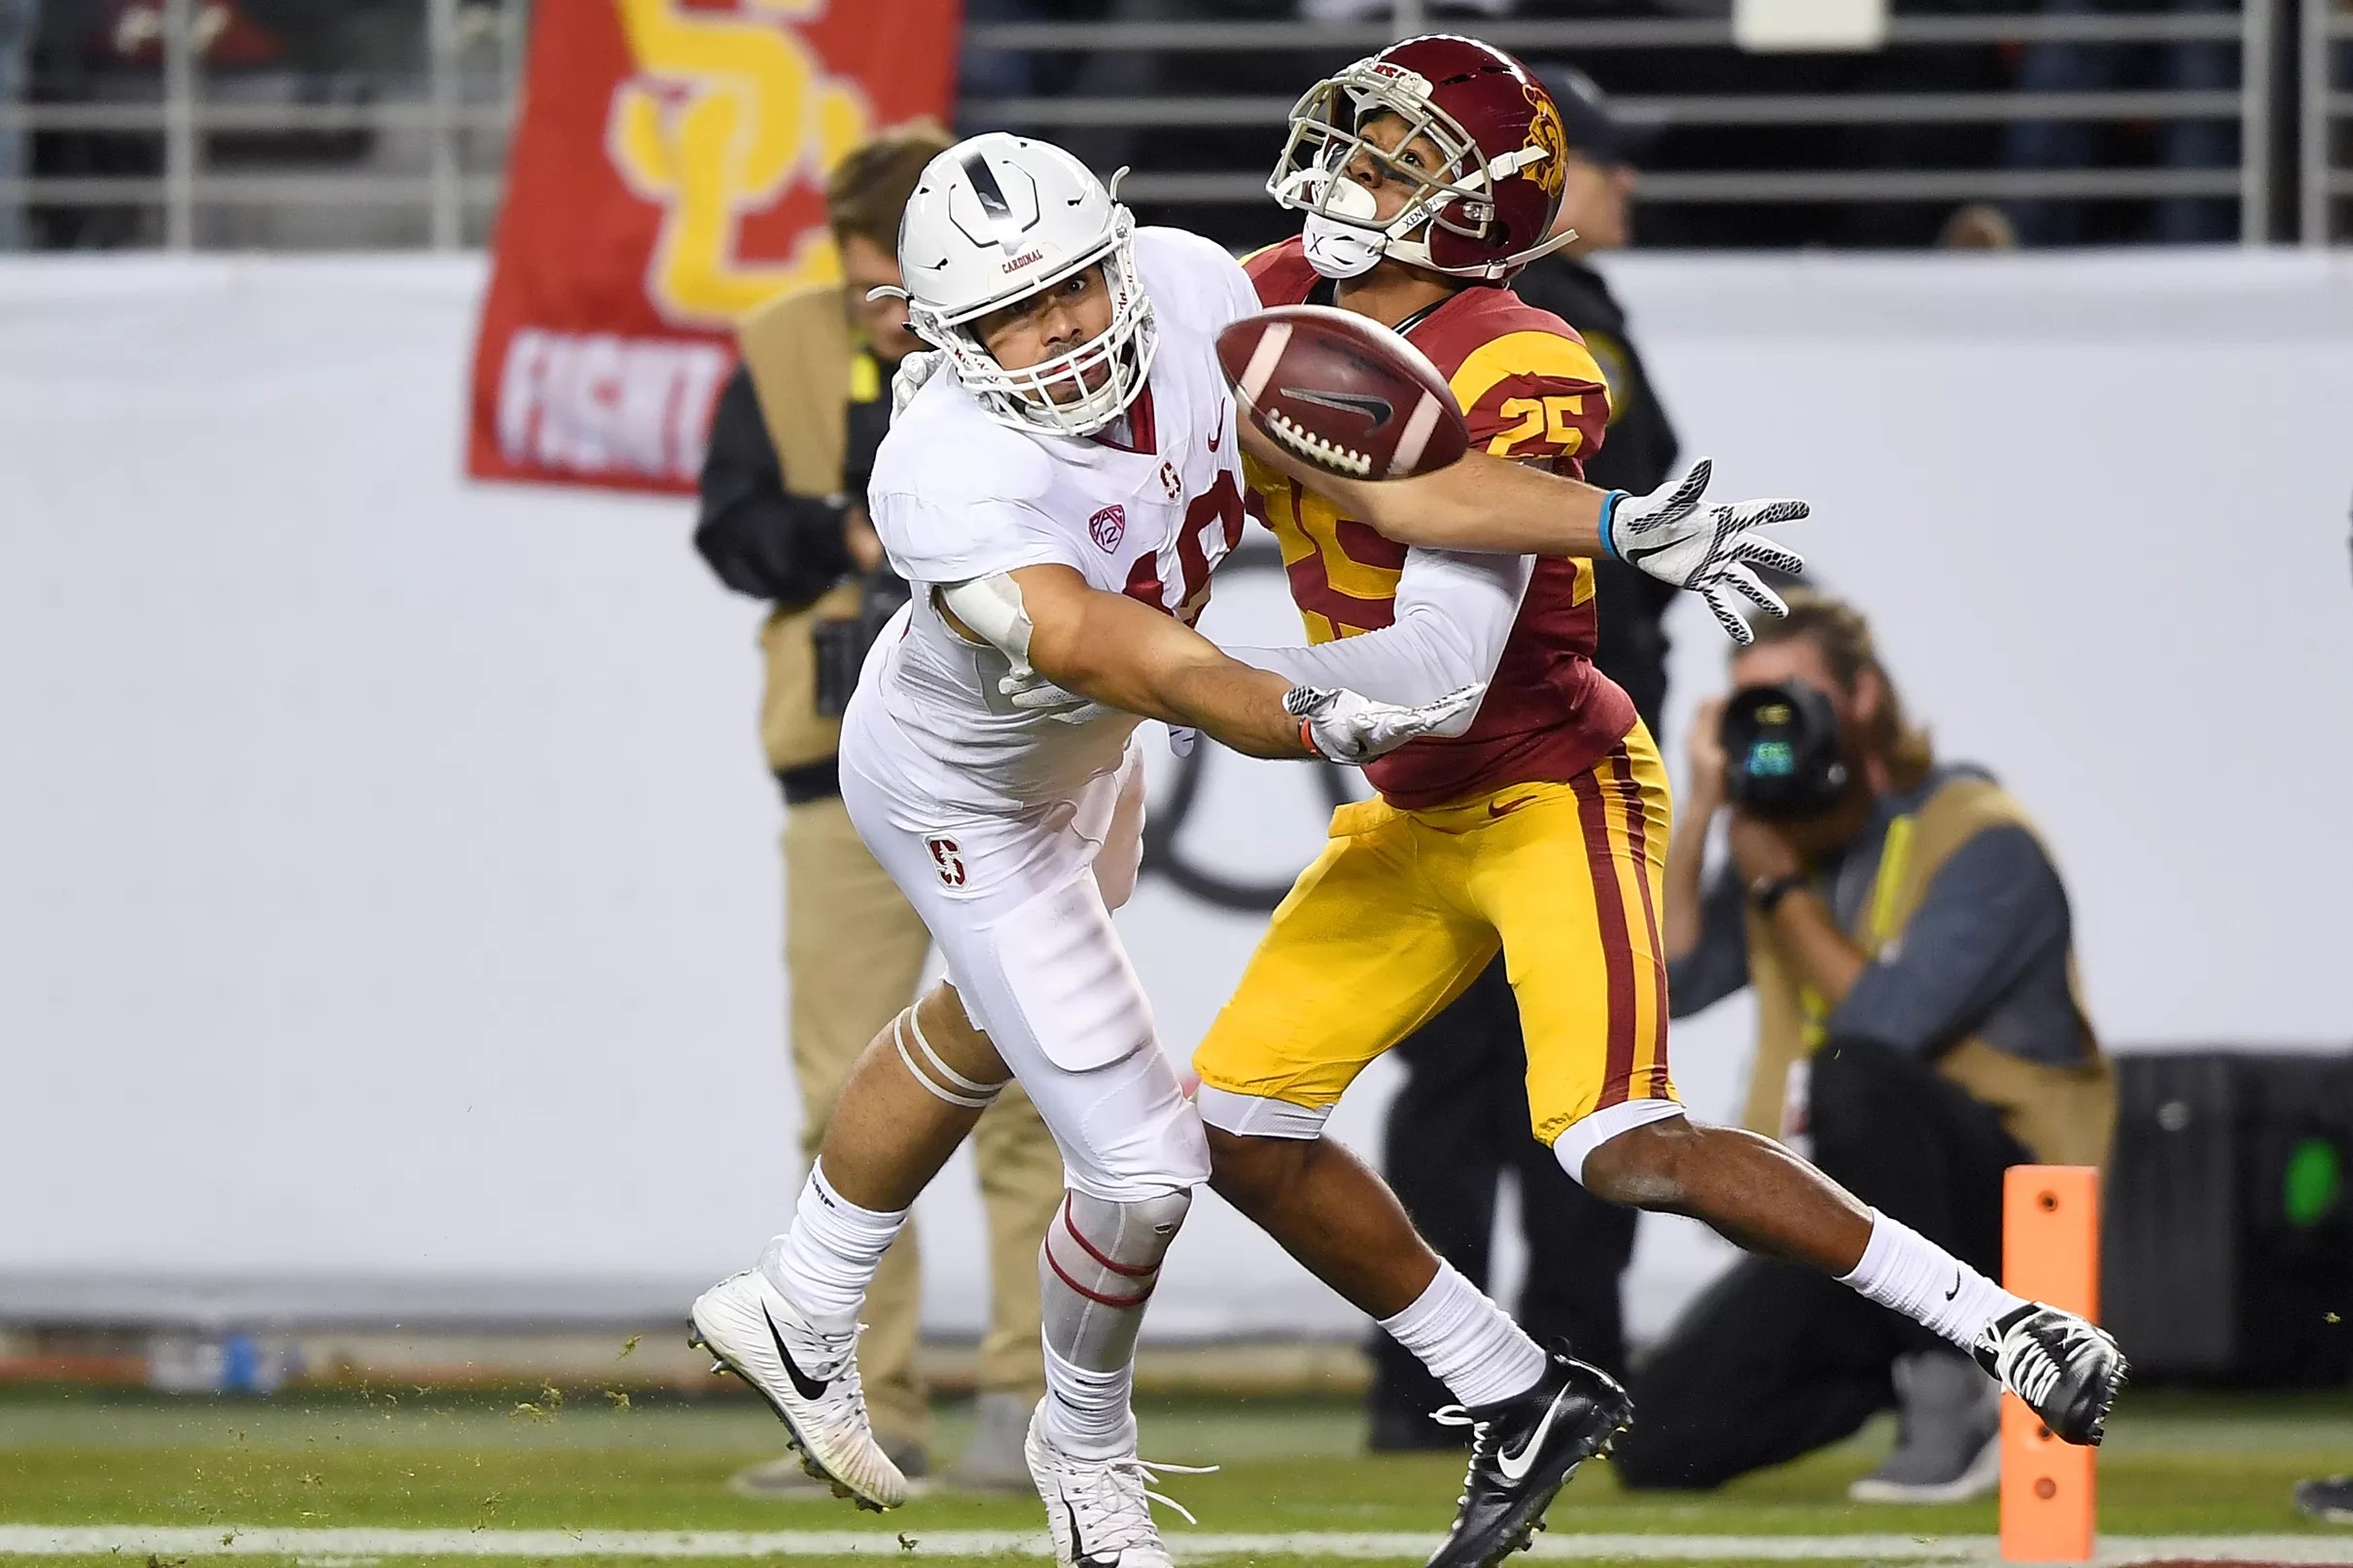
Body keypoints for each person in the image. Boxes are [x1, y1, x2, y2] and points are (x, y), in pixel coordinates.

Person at [684, 124, 1809, 1568]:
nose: (1063, 330)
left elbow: (1405, 486)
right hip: (968, 789)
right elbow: (1130, 654)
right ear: (939, 335)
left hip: (1081, 764)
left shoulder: (1197, 292)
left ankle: (797, 1299)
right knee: (1148, 1168)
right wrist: (1306, 708)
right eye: (1011, 314)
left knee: (982, 1018)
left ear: (1119, 252)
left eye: (1077, 284)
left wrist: (1615, 519)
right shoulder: (942, 471)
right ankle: (1089, 1451)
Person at [1187, 36, 2125, 1568]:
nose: (1357, 172)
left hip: (1547, 780)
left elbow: (1443, 635)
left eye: (1404, 158)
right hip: (1409, 811)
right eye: (1360, 139)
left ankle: (2000, 1320)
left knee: (1618, 1140)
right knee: (1230, 1129)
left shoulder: (1532, 356)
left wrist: (1190, 674)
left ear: (1479, 209)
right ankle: (1510, 1388)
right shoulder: (1271, 283)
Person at [691, 124, 1065, 1496]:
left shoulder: (1040, 328)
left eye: (903, 284)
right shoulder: (785, 344)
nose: (890, 314)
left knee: (1038, 1084)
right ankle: (867, 1399)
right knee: (848, 1090)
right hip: (834, 762)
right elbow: (730, 529)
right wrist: (858, 531)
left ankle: (1034, 1402)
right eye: (870, 287)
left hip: (1015, 766)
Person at [1612, 589, 2117, 1501]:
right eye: (1749, 706)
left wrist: (1780, 895)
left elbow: (1884, 1027)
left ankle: (1952, 1390)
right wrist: (1700, 813)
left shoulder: (1980, 837)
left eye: (1793, 696)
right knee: (1662, 1443)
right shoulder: (1776, 844)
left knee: (1855, 1073)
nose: (1774, 724)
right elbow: (1671, 985)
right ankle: (1892, 1359)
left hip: (2010, 1219)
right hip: (1863, 1224)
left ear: (1865, 698)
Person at [1363, 63, 1679, 1445]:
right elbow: (1634, 534)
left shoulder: (1391, 321)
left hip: (1439, 747)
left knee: (1448, 1086)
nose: (1628, 187)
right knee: (1588, 1089)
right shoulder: (1562, 329)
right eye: (1609, 163)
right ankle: (1575, 1367)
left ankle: (1426, 1381)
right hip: (1549, 749)